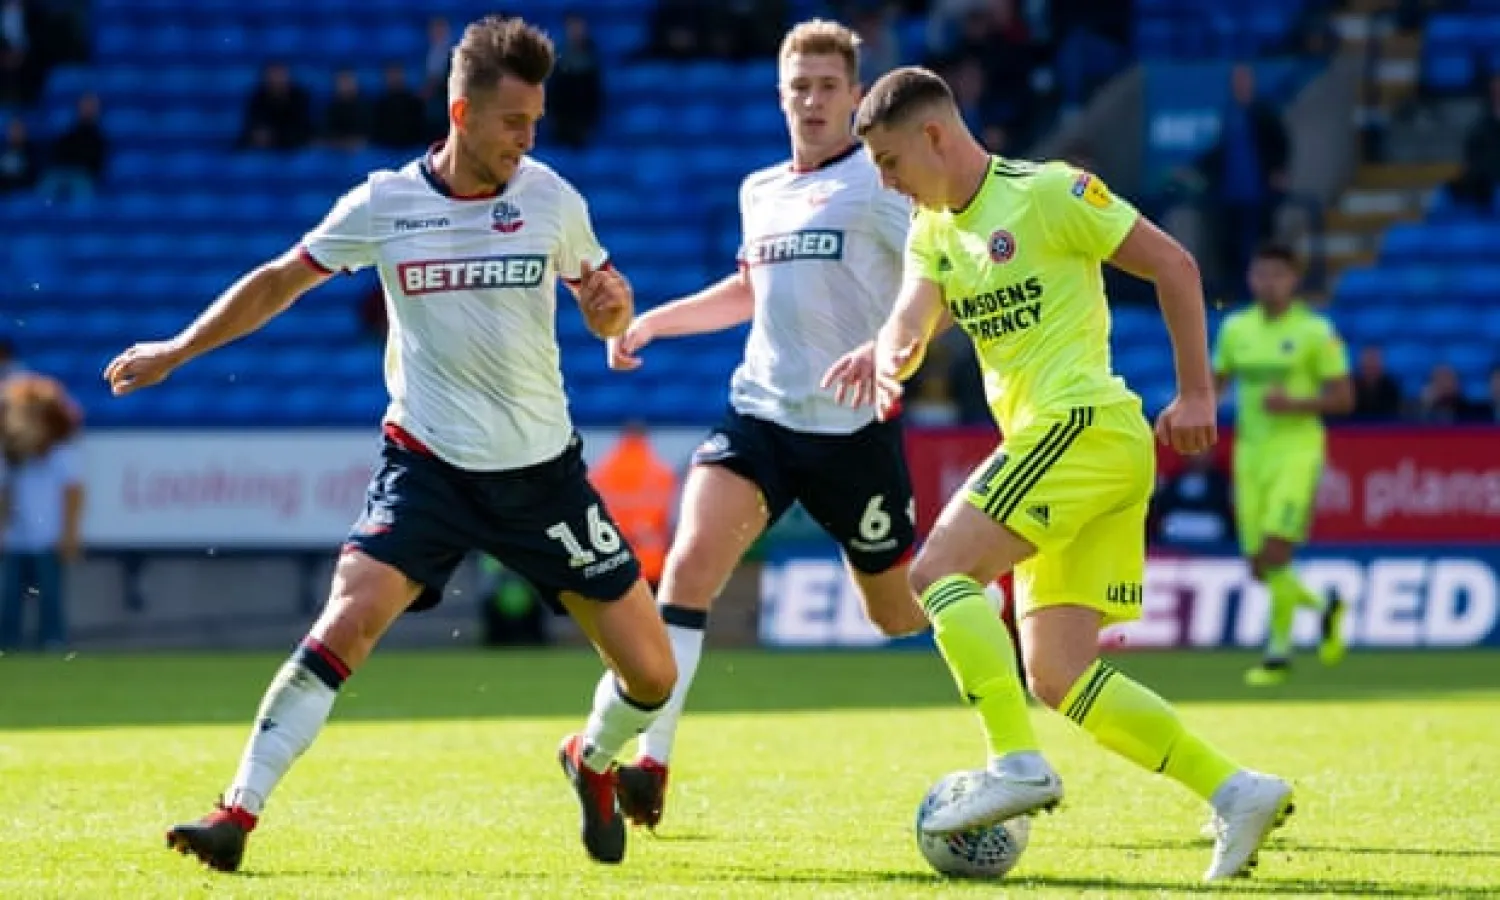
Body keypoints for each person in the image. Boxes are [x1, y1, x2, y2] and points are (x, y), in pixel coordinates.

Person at [103, 16, 675, 871]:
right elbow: (277, 282)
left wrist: (610, 318)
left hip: (542, 478)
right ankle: (237, 812)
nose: (528, 139)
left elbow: (606, 304)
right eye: (514, 122)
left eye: (536, 123)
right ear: (461, 113)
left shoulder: (551, 198)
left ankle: (589, 761)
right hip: (429, 468)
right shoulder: (385, 203)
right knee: (352, 613)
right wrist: (179, 350)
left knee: (653, 677)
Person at [836, 65, 1294, 883]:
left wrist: (1197, 392)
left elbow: (1175, 265)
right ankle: (1236, 791)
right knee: (1057, 673)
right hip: (1073, 451)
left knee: (936, 571)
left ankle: (1014, 763)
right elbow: (911, 313)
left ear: (933, 135)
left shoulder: (1049, 193)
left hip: (1083, 425)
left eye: (888, 161)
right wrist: (889, 353)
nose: (885, 181)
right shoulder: (934, 230)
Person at [598, 19, 926, 830]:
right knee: (686, 570)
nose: (812, 101)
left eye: (826, 87)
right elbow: (751, 290)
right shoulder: (760, 191)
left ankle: (1000, 608)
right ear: (781, 96)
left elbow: (937, 282)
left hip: (854, 432)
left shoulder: (883, 187)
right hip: (762, 419)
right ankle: (652, 761)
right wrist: (653, 325)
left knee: (896, 616)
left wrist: (891, 348)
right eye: (798, 88)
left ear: (854, 97)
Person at [1213, 243, 1353, 685]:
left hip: (1297, 451)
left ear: (1294, 279)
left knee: (1276, 550)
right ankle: (1325, 608)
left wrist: (1293, 402)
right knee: (1259, 565)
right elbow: (1215, 383)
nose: (1269, 283)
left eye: (1278, 274)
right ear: (1251, 278)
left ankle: (1278, 655)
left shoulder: (1316, 331)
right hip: (1249, 454)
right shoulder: (1236, 328)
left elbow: (1344, 398)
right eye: (1261, 274)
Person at [0, 373, 84, 652]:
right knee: (8, 596)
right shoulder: (11, 459)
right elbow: (4, 495)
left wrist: (69, 535)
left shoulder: (61, 456)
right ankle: (8, 642)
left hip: (49, 537)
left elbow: (72, 495)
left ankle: (52, 641)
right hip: (16, 538)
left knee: (50, 595)